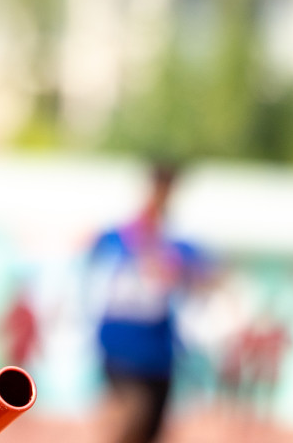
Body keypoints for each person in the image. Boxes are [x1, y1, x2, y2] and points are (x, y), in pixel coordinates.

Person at [89, 163, 210, 443]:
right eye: (160, 188)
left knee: (150, 431)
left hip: (158, 353)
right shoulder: (120, 236)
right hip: (120, 344)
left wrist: (183, 272)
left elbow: (206, 276)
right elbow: (91, 251)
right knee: (134, 411)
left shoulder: (176, 244)